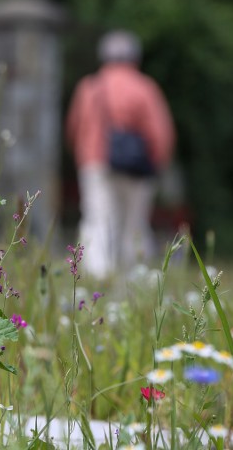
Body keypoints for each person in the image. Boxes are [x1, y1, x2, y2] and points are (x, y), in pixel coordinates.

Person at [65, 30, 176, 279]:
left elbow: (73, 128)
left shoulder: (89, 87)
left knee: (98, 220)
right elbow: (161, 134)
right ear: (135, 58)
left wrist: (83, 156)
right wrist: (157, 164)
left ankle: (97, 277)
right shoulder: (145, 87)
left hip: (94, 163)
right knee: (134, 224)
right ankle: (132, 277)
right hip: (137, 168)